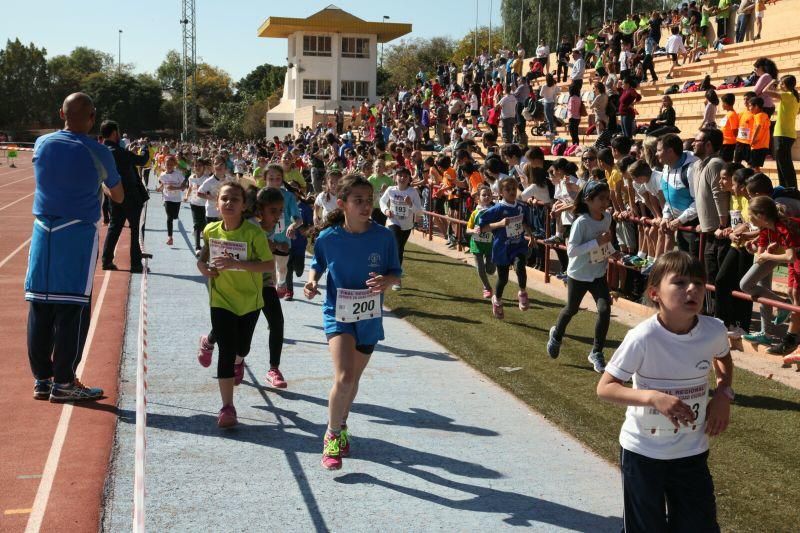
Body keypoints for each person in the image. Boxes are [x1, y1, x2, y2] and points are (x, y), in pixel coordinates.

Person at [597, 251, 734, 533]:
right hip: (644, 453)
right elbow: (605, 388)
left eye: (698, 282)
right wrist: (653, 397)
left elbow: (723, 358)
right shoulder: (643, 337)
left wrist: (723, 394)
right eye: (680, 282)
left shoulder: (713, 330)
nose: (692, 289)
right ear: (655, 292)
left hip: (692, 451)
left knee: (700, 526)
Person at [26, 92, 124, 402]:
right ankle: (65, 382)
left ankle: (43, 378)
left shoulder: (42, 143)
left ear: (61, 113)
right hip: (76, 232)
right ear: (92, 118)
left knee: (39, 304)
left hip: (42, 230)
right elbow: (118, 195)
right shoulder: (99, 151)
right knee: (72, 307)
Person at [304, 175, 402, 470]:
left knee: (353, 380)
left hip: (369, 317)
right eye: (357, 200)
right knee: (344, 377)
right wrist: (311, 282)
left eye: (368, 200)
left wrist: (385, 281)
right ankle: (331, 436)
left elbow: (395, 272)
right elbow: (317, 263)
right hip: (338, 313)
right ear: (343, 203)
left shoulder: (384, 237)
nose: (364, 205)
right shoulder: (329, 237)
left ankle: (342, 423)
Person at [196, 182, 272, 427]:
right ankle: (227, 407)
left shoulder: (253, 233)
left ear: (244, 205)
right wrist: (202, 267)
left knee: (242, 348)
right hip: (221, 299)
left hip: (250, 300)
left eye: (235, 200)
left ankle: (239, 361)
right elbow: (203, 255)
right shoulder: (210, 230)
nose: (229, 203)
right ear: (217, 203)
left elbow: (268, 266)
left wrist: (237, 265)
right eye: (225, 199)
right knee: (226, 352)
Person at [547, 181, 614, 373]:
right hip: (578, 274)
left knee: (604, 309)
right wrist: (597, 241)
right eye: (601, 199)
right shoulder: (581, 222)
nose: (605, 202)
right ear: (588, 200)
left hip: (598, 273)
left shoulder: (607, 217)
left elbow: (604, 243)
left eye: (607, 198)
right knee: (571, 309)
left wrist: (612, 250)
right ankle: (557, 335)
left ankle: (597, 352)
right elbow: (572, 251)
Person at [478, 176, 534, 319]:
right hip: (502, 248)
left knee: (520, 266)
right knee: (503, 279)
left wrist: (531, 236)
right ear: (501, 192)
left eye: (513, 189)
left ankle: (522, 292)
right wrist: (500, 224)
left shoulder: (521, 207)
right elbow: (483, 228)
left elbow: (525, 223)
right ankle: (497, 300)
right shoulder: (497, 209)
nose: (511, 192)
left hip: (518, 245)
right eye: (507, 189)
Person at [99, 120, 150, 273]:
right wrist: (144, 147)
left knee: (115, 227)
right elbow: (143, 160)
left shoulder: (102, 151)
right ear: (115, 133)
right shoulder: (120, 152)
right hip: (131, 196)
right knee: (135, 229)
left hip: (113, 196)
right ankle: (135, 263)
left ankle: (106, 260)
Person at [379, 167, 422, 290]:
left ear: (409, 179)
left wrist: (410, 204)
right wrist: (386, 210)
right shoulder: (391, 190)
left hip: (407, 225)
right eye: (400, 175)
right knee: (397, 247)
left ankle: (395, 273)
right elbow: (382, 201)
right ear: (395, 177)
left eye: (405, 176)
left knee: (400, 249)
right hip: (393, 221)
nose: (402, 178)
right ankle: (396, 279)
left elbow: (419, 212)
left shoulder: (412, 192)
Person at [766, 75, 800, 189]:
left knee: (783, 165)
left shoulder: (787, 95)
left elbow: (765, 91)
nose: (780, 85)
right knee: (785, 164)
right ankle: (787, 188)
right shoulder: (795, 97)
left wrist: (772, 82)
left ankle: (788, 189)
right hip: (789, 134)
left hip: (782, 134)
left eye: (781, 83)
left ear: (785, 85)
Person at [466, 186, 496, 298]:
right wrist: (474, 230)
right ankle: (487, 287)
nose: (487, 196)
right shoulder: (475, 213)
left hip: (490, 244)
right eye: (484, 195)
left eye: (489, 194)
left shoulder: (495, 211)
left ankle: (491, 265)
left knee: (491, 270)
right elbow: (468, 229)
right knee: (480, 268)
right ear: (478, 198)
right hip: (476, 243)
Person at [157, 155, 186, 246]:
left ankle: (174, 217)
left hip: (177, 199)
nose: (169, 166)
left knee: (174, 216)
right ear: (164, 165)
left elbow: (183, 187)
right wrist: (160, 188)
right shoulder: (162, 175)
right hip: (167, 198)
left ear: (174, 165)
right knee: (169, 218)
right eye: (167, 164)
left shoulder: (178, 174)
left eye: (171, 164)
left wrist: (174, 187)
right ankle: (170, 237)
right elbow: (163, 184)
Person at [185, 158, 209, 256]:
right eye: (196, 165)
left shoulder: (207, 179)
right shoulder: (191, 178)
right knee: (196, 224)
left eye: (199, 165)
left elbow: (209, 191)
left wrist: (204, 192)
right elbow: (190, 188)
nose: (197, 167)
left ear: (204, 167)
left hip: (204, 204)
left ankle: (206, 247)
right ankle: (197, 247)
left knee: (204, 226)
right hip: (194, 203)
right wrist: (187, 196)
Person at [719, 94, 740, 162]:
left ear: (725, 103)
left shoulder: (732, 115)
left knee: (725, 163)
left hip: (728, 144)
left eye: (722, 103)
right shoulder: (729, 114)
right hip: (724, 143)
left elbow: (735, 130)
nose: (721, 105)